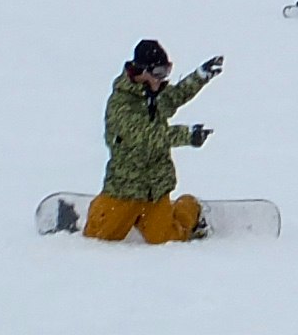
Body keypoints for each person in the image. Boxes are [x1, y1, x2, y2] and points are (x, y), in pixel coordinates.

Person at [84, 40, 222, 242]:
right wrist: (187, 135)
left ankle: (191, 208)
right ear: (141, 71)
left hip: (155, 189)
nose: (162, 78)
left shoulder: (154, 93)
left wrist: (200, 76)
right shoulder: (120, 105)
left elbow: (176, 96)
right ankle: (107, 214)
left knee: (167, 238)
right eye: (158, 72)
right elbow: (149, 135)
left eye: (166, 71)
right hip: (124, 188)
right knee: (97, 238)